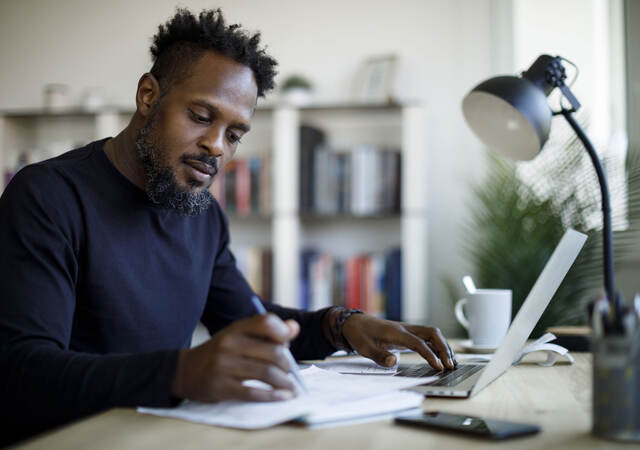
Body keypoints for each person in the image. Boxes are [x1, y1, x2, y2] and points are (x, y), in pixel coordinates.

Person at [0, 8, 456, 445]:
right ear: (148, 96)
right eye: (200, 116)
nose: (215, 146)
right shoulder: (47, 196)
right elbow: (23, 371)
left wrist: (342, 326)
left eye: (235, 134)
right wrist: (181, 373)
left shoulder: (202, 214)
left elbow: (250, 323)